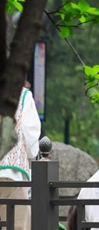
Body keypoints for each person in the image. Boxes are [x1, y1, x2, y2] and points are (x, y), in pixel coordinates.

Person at [0, 82, 40, 230]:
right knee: (17, 226)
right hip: (12, 175)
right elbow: (31, 139)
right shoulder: (22, 95)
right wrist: (31, 155)